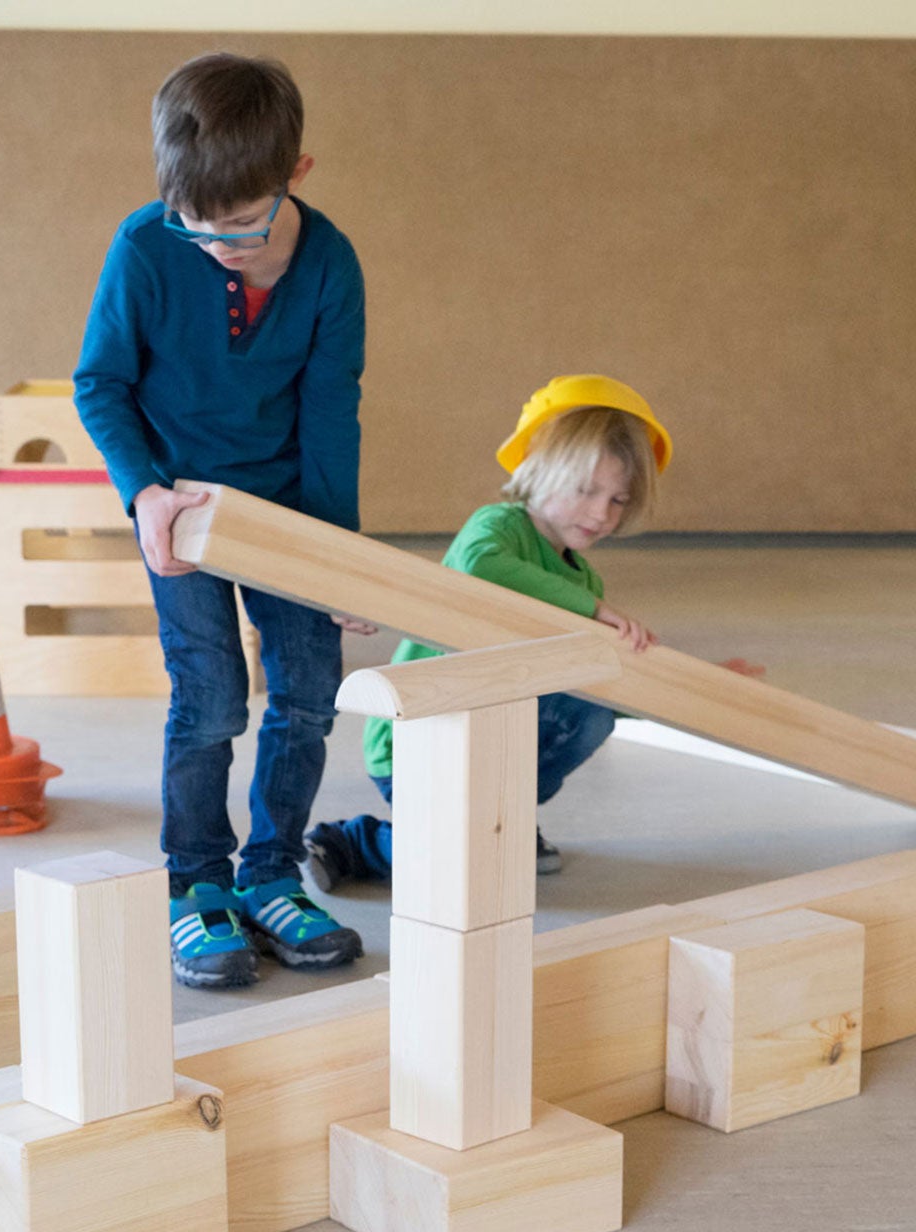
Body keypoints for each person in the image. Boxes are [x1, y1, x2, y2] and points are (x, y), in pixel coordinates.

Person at [74, 52, 372, 988]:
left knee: (309, 689)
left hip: (284, 510)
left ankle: (271, 873)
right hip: (181, 514)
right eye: (192, 225)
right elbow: (103, 384)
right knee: (208, 701)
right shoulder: (143, 246)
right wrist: (145, 490)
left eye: (240, 226)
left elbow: (330, 414)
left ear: (296, 176)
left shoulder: (330, 266)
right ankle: (195, 883)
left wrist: (337, 562)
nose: (214, 245)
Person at [303, 374, 688, 888]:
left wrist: (680, 685)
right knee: (460, 865)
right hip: (420, 735)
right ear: (539, 471)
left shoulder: (583, 580)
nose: (602, 513)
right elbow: (480, 567)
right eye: (586, 490)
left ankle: (501, 817)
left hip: (494, 740)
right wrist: (590, 607)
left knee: (592, 713)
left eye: (618, 500)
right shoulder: (498, 529)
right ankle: (359, 843)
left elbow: (600, 680)